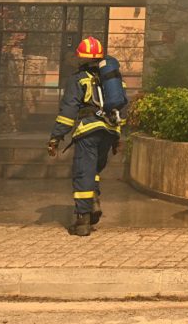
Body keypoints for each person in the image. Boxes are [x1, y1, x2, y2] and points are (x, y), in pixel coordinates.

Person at [47, 36, 124, 237]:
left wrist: (56, 137)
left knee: (83, 172)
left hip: (88, 131)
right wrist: (117, 138)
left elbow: (68, 112)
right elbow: (119, 108)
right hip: (109, 131)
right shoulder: (111, 80)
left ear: (80, 58)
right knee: (94, 169)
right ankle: (93, 201)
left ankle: (82, 220)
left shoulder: (77, 79)